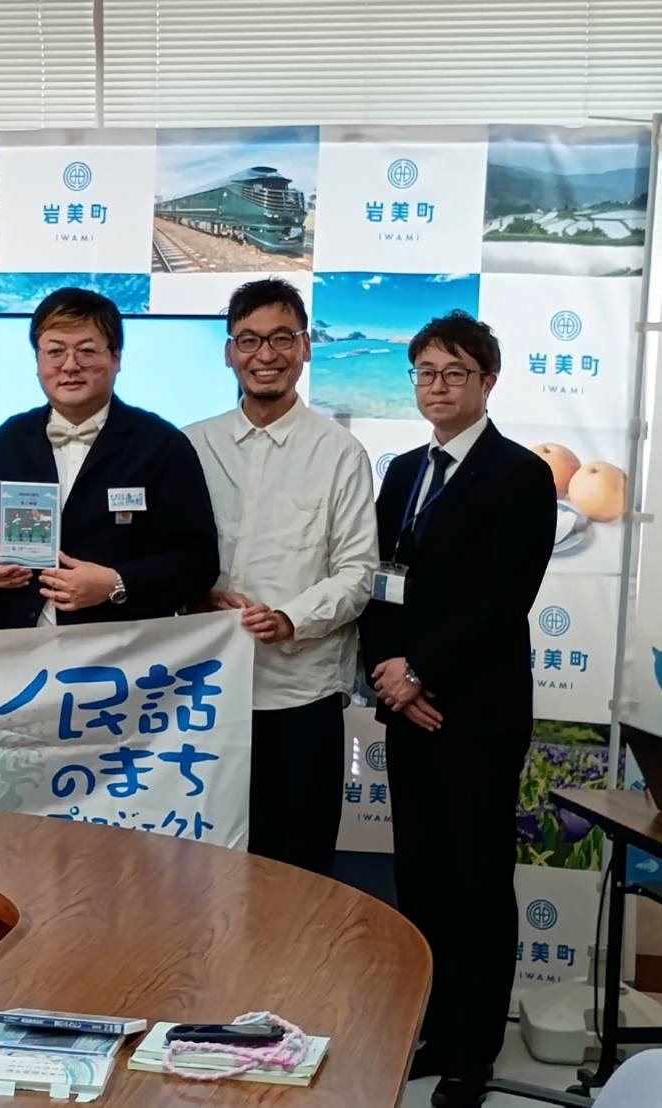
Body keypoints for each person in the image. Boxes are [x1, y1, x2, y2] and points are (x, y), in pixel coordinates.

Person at [359, 311, 554, 1108]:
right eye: (425, 372)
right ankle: (433, 1029)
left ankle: (474, 1051)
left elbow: (503, 600)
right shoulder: (404, 470)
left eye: (454, 372)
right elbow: (377, 580)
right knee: (421, 876)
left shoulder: (519, 474)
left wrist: (422, 672)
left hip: (475, 713)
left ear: (487, 381)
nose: (437, 386)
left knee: (476, 880)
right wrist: (386, 675)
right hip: (408, 712)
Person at [185, 278, 378, 876]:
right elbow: (166, 554)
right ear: (229, 352)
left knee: (296, 870)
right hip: (201, 695)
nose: (264, 355)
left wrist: (290, 618)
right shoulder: (191, 445)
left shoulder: (340, 453)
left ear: (306, 347)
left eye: (281, 339)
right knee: (200, 868)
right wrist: (195, 595)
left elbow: (358, 571)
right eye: (248, 340)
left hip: (298, 696)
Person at [0, 287, 218, 628]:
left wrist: (116, 584)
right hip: (18, 647)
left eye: (86, 351)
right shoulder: (10, 440)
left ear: (116, 358)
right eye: (55, 352)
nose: (70, 366)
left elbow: (198, 562)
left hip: (121, 650)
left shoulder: (161, 445)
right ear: (38, 361)